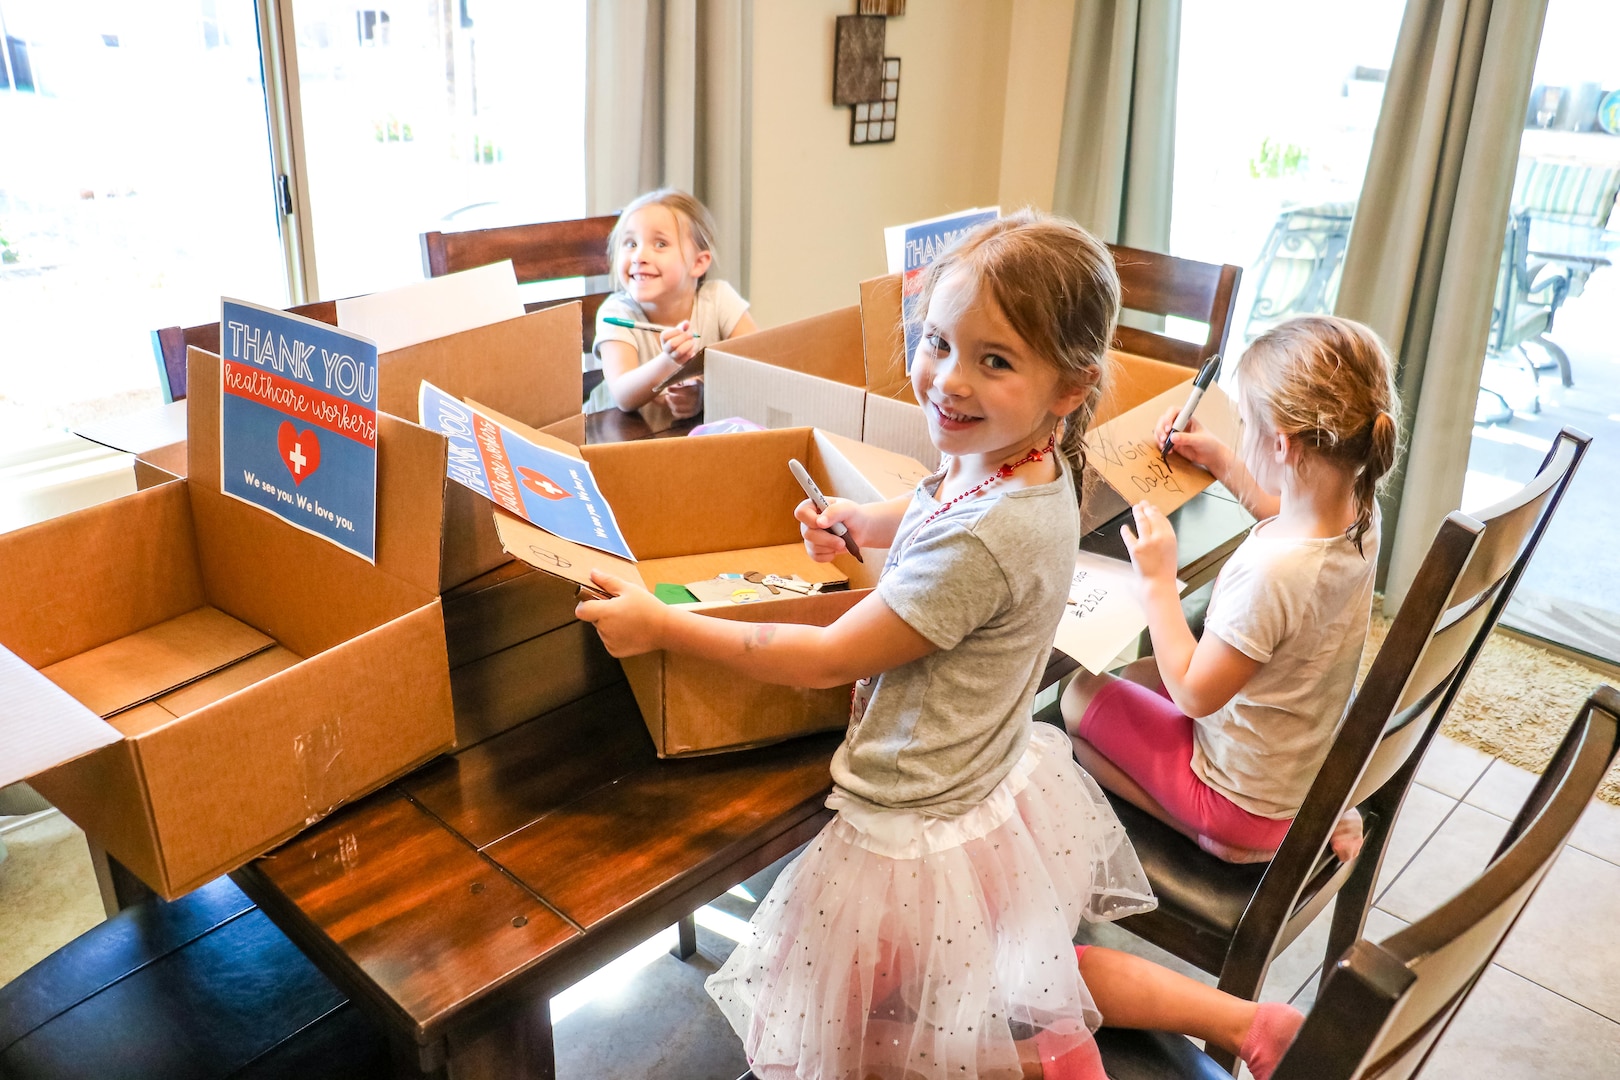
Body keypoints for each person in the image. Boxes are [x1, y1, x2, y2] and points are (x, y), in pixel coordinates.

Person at [577, 212, 1304, 1079]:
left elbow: (823, 657)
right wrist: (865, 518)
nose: (947, 381)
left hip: (915, 824)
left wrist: (661, 624)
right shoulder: (1029, 458)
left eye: (993, 360)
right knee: (1029, 980)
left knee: (852, 1031)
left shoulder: (985, 537)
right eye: (936, 344)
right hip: (987, 794)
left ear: (1069, 387)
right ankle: (1242, 1021)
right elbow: (938, 497)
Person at [1061, 315, 1401, 866]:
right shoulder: (1359, 510)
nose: (1239, 431)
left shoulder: (1273, 572)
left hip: (1242, 801)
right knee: (1135, 679)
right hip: (1296, 760)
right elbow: (1279, 510)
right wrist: (1221, 458)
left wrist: (1156, 582)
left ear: (1284, 446)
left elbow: (1196, 694)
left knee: (1076, 701)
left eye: (1244, 422)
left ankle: (1218, 838)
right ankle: (1280, 823)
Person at [590, 188, 758, 428]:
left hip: (682, 442)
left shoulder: (719, 300)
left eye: (660, 244)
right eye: (630, 243)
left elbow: (757, 367)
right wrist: (669, 363)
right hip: (614, 440)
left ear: (698, 263)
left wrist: (702, 393)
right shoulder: (615, 313)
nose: (639, 256)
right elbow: (623, 395)